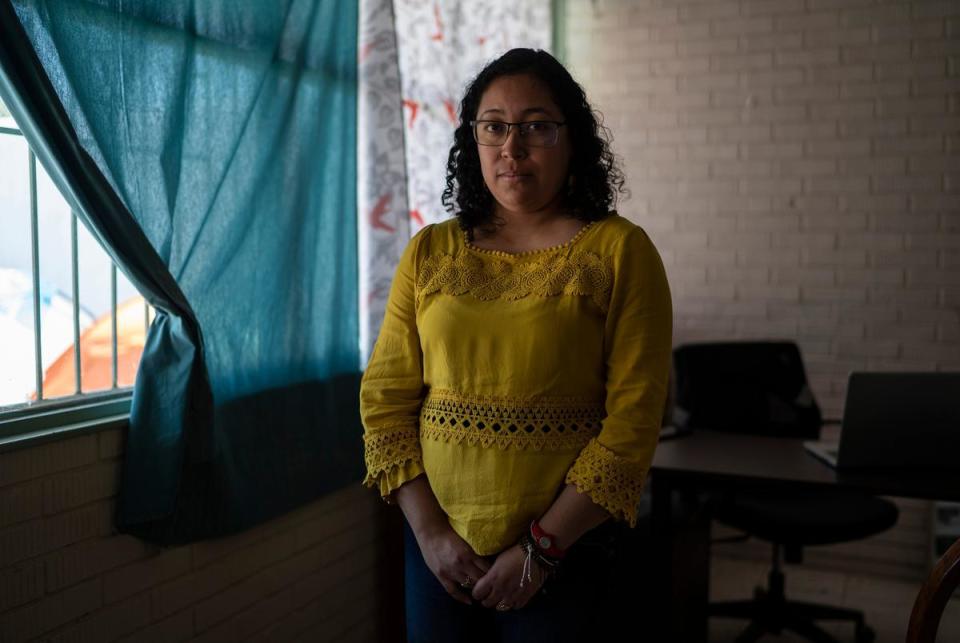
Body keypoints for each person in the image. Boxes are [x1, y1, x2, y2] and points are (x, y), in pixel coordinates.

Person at [360, 48, 672, 642]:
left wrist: (541, 549)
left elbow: (633, 422)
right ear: (472, 140)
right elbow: (385, 399)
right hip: (438, 550)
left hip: (565, 553)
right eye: (494, 127)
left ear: (572, 138)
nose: (512, 147)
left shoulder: (619, 252)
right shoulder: (430, 251)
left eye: (536, 126)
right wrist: (430, 534)